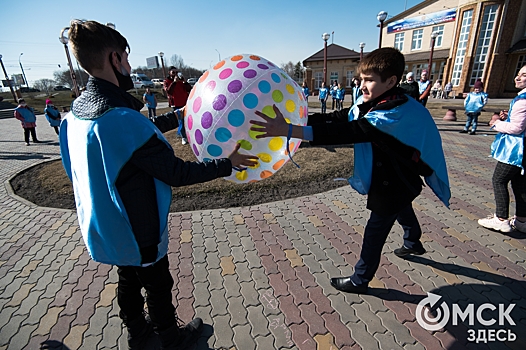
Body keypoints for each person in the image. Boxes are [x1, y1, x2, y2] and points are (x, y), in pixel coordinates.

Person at [59, 20, 258, 350]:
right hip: (137, 226)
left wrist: (178, 116)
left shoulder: (77, 113)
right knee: (157, 282)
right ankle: (170, 338)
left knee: (126, 276)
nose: (129, 64)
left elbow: (136, 135)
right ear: (113, 58)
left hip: (107, 224)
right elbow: (176, 173)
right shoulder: (118, 119)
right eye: (125, 56)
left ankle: (137, 332)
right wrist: (228, 164)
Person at [251, 47, 450, 294]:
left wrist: (290, 131)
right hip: (399, 181)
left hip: (394, 182)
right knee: (402, 207)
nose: (362, 85)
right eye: (361, 79)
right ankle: (413, 241)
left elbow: (347, 132)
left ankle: (360, 279)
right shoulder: (377, 101)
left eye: (369, 80)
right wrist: (297, 120)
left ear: (391, 81)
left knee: (375, 231)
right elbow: (340, 117)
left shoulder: (394, 113)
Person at [478, 65, 526, 233]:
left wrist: (496, 123)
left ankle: (501, 218)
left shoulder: (522, 100)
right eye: (518, 74)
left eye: (523, 75)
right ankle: (521, 220)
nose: (517, 78)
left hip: (515, 150)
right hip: (521, 151)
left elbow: (517, 128)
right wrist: (508, 116)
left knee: (499, 180)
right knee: (519, 184)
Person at [164, 66, 191, 145]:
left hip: (185, 103)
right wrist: (174, 82)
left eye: (176, 72)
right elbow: (169, 91)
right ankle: (184, 137)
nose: (175, 74)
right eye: (173, 72)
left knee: (188, 120)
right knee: (181, 121)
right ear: (169, 73)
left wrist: (185, 82)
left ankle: (185, 134)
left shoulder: (181, 81)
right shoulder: (167, 81)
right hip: (176, 105)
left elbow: (189, 89)